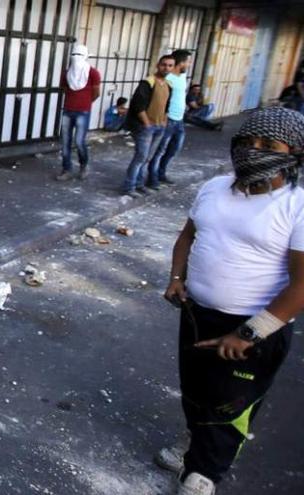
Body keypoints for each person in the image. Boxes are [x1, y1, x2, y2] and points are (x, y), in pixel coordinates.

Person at [159, 107, 304, 495]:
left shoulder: (296, 206)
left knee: (231, 406)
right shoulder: (214, 188)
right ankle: (195, 444)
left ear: (293, 153)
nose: (253, 150)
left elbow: (301, 286)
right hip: (196, 315)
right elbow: (188, 236)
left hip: (253, 330)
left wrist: (249, 333)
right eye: (245, 142)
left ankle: (205, 472)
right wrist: (176, 277)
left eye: (268, 145)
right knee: (195, 391)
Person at [121, 55, 174, 197]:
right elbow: (138, 105)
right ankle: (129, 187)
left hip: (159, 126)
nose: (166, 68)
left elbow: (166, 106)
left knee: (147, 158)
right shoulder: (148, 82)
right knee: (140, 157)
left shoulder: (169, 84)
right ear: (158, 65)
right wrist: (146, 123)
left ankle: (139, 184)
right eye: (164, 65)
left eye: (170, 65)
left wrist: (164, 121)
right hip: (145, 127)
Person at [57, 44, 101, 181]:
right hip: (68, 111)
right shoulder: (66, 73)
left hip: (83, 111)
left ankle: (83, 165)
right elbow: (64, 88)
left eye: (79, 55)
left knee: (79, 141)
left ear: (86, 57)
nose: (76, 58)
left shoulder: (93, 73)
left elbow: (96, 93)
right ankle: (67, 169)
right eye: (74, 55)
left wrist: (85, 103)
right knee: (65, 142)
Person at [148, 50, 192, 187]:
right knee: (159, 150)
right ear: (182, 62)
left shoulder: (182, 76)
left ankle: (161, 173)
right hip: (168, 120)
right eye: (188, 61)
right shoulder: (168, 78)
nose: (189, 64)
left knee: (173, 149)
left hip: (179, 120)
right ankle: (152, 178)